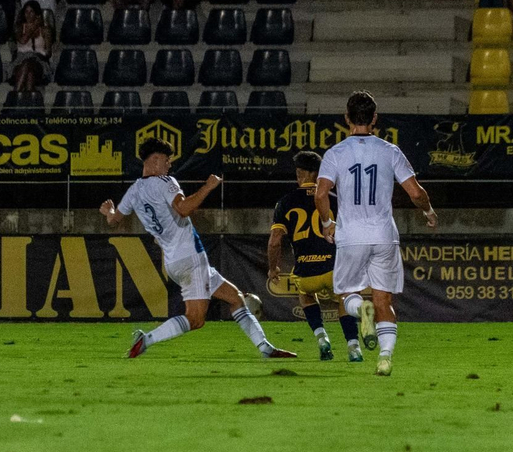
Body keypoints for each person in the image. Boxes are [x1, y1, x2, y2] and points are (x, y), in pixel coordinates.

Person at [102, 138, 293, 360]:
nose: (169, 165)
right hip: (190, 258)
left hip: (174, 262)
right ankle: (146, 339)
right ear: (154, 160)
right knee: (196, 319)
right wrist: (208, 187)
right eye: (166, 160)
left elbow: (115, 220)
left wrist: (109, 211)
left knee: (236, 298)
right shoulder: (165, 182)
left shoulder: (134, 190)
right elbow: (183, 208)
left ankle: (266, 349)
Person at [314, 91, 436, 377]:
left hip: (351, 235)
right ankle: (384, 357)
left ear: (346, 119)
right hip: (384, 234)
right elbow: (416, 193)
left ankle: (360, 311)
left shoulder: (336, 153)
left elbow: (321, 194)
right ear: (375, 119)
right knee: (384, 302)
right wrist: (429, 212)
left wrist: (327, 222)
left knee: (346, 294)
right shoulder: (389, 151)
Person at [268, 151, 364, 362]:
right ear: (320, 173)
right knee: (344, 298)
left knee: (306, 295)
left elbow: (275, 240)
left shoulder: (285, 202)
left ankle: (322, 338)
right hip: (333, 269)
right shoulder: (335, 200)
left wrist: (272, 267)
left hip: (305, 273)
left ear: (299, 173)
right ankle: (353, 347)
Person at [10, 0, 53, 95]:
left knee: (29, 64)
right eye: (26, 12)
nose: (28, 15)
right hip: (21, 59)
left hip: (38, 60)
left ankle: (13, 99)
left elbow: (49, 51)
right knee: (29, 73)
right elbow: (23, 41)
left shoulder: (45, 30)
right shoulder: (19, 27)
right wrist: (33, 28)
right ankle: (29, 103)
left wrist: (45, 52)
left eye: (31, 12)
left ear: (37, 14)